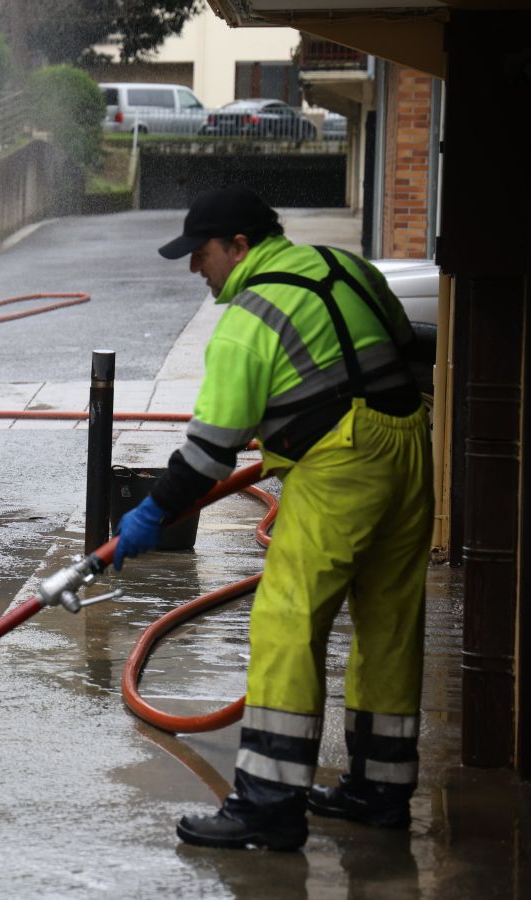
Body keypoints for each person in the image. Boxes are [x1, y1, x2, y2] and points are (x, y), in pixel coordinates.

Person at [115, 186, 433, 851]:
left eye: (201, 255)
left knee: (288, 621)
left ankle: (266, 805)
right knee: (389, 619)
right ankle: (379, 791)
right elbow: (410, 353)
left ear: (239, 246)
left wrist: (151, 513)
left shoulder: (248, 318)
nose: (196, 270)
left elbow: (207, 454)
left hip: (338, 466)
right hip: (407, 449)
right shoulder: (352, 269)